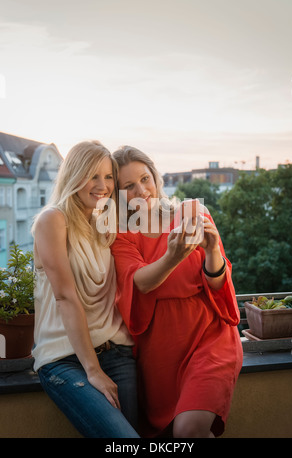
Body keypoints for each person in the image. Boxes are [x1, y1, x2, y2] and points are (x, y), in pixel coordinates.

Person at [110, 145, 243, 438]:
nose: (141, 190)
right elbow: (138, 282)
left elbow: (219, 283)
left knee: (189, 429)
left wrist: (212, 253)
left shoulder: (192, 211)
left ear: (156, 178)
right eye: (128, 186)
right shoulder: (120, 234)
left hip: (209, 337)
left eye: (145, 179)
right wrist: (173, 256)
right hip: (161, 351)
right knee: (177, 434)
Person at [31, 140, 140, 438]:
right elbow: (65, 297)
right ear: (74, 174)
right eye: (93, 175)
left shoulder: (106, 221)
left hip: (117, 352)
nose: (102, 185)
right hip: (65, 358)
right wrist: (93, 370)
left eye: (107, 177)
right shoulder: (52, 220)